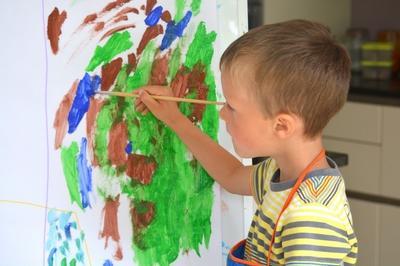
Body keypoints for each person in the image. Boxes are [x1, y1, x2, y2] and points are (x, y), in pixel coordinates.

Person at [135, 19, 358, 265]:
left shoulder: (311, 216)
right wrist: (175, 118)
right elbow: (232, 174)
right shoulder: (281, 172)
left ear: (281, 125)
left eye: (231, 107)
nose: (222, 114)